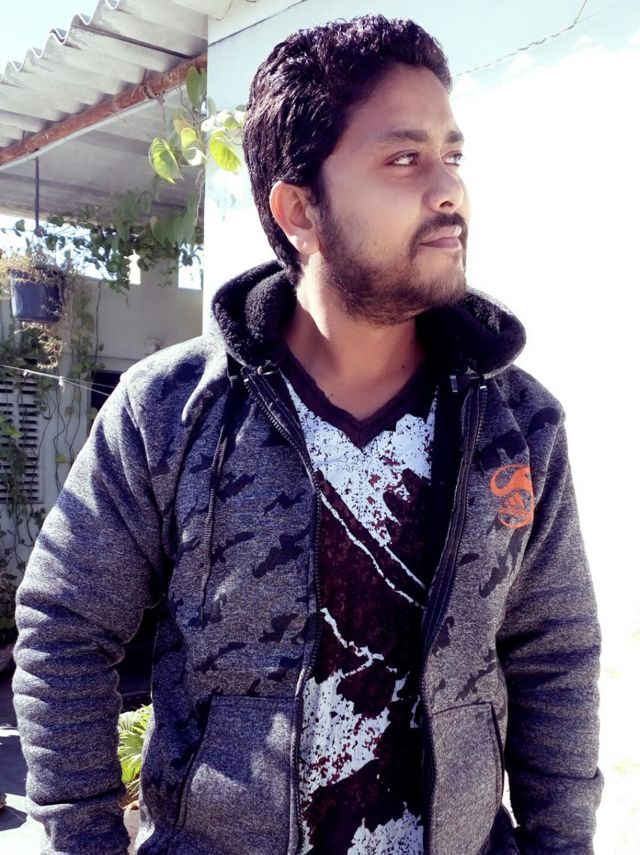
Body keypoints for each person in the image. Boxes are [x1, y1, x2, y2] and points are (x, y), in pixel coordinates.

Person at [13, 14, 603, 855]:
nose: (449, 190)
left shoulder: (517, 424)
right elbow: (66, 628)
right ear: (299, 209)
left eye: (453, 156)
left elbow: (554, 654)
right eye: (404, 159)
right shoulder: (172, 409)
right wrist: (85, 841)